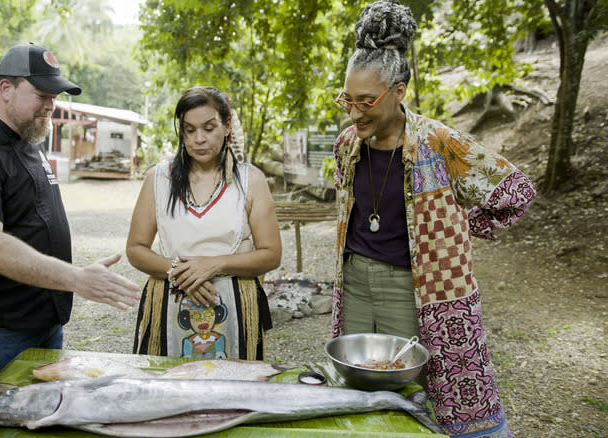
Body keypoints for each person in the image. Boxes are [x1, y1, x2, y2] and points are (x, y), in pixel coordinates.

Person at [330, 2, 536, 437]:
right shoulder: (346, 144)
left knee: (413, 395)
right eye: (347, 99)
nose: (354, 112)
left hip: (414, 289)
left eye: (367, 101)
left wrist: (466, 225)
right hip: (354, 283)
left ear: (399, 91)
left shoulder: (441, 143)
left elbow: (517, 190)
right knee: (358, 388)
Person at [0, 43, 140, 384]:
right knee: (1, 425)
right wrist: (76, 278)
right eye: (41, 94)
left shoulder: (28, 142)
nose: (51, 104)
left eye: (55, 95)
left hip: (43, 320)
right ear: (6, 89)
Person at [127, 86, 281, 360]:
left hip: (234, 306)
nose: (199, 139)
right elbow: (136, 249)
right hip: (172, 302)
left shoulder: (250, 180)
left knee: (231, 393)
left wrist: (214, 264)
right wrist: (180, 272)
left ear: (226, 126)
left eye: (209, 128)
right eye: (189, 130)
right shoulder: (159, 178)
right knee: (172, 391)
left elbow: (271, 254)